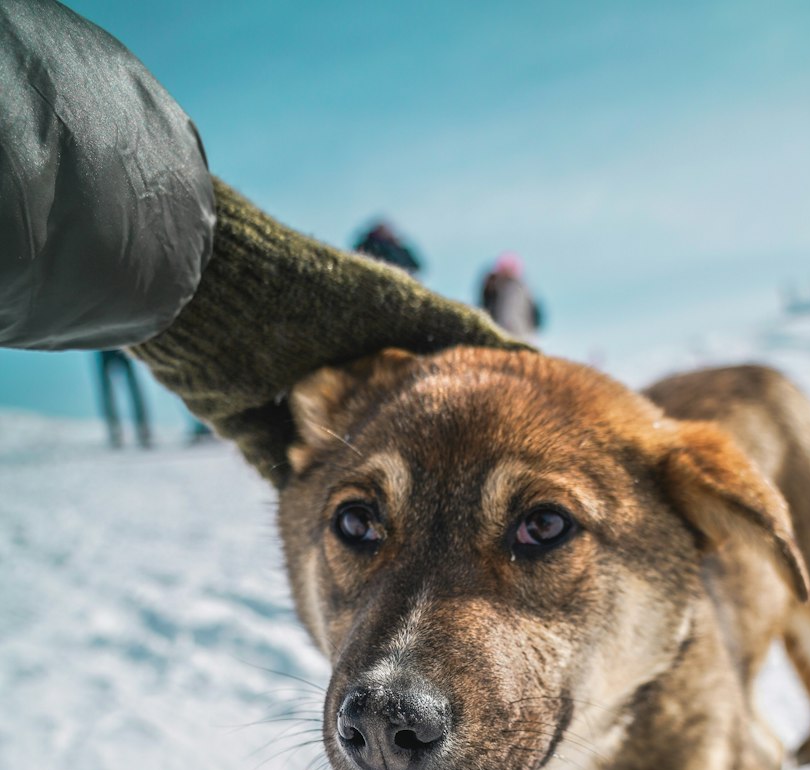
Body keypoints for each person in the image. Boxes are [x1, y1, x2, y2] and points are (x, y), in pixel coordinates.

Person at [0, 0, 521, 486]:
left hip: (133, 293)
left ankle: (137, 421)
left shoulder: (411, 254)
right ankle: (128, 430)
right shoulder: (383, 247)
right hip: (131, 299)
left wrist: (213, 290)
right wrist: (223, 296)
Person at [95, 350, 153, 449]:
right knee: (127, 386)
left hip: (108, 342)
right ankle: (139, 428)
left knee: (109, 387)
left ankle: (139, 428)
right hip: (115, 342)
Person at [478, 254, 544, 340]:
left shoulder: (522, 289)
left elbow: (536, 314)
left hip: (520, 334)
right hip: (504, 333)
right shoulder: (494, 287)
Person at [352, 220, 424, 278]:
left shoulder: (398, 248)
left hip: (400, 277)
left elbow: (415, 266)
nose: (387, 232)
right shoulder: (369, 243)